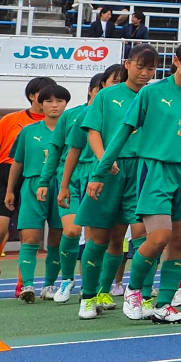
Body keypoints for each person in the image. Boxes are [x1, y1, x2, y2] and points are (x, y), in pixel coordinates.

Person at [89, 40, 181, 324]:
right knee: (159, 237)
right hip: (155, 170)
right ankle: (134, 291)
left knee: (180, 241)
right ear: (176, 61)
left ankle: (164, 304)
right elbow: (122, 134)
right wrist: (99, 172)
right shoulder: (151, 93)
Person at [74, 47, 159, 312]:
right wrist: (103, 161)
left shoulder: (156, 97)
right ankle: (88, 297)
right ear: (128, 64)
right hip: (110, 170)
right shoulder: (107, 95)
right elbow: (93, 132)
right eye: (140, 66)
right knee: (99, 238)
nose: (145, 73)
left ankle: (140, 296)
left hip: (143, 171)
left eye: (151, 68)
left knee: (146, 236)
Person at [0, 77, 55, 296]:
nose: (50, 99)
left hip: (36, 176)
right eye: (44, 94)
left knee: (29, 235)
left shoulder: (57, 123)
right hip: (5, 174)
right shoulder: (11, 120)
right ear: (32, 96)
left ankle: (23, 284)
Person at [41, 71, 114, 307]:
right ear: (93, 89)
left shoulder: (116, 116)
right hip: (72, 178)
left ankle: (94, 289)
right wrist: (46, 181)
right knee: (71, 231)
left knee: (96, 237)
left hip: (98, 177)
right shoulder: (73, 115)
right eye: (102, 89)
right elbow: (57, 150)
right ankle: (67, 279)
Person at [5, 84, 73, 302]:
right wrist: (10, 190)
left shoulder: (74, 130)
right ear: (40, 105)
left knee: (57, 236)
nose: (54, 105)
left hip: (62, 185)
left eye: (59, 101)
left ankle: (50, 286)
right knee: (30, 237)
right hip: (33, 184)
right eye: (49, 101)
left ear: (66, 104)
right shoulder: (28, 131)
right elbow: (17, 162)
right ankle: (27, 285)